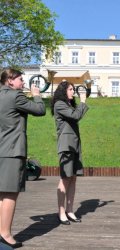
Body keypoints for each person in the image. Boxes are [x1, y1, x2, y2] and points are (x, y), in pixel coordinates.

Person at [0, 68, 46, 248]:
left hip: (1, 149)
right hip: (13, 151)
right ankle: (5, 234)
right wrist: (36, 95)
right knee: (11, 193)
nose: (23, 83)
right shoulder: (15, 96)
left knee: (1, 194)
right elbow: (40, 110)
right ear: (10, 80)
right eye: (20, 79)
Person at [50, 81, 89, 225]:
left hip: (74, 146)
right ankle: (61, 212)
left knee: (73, 178)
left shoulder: (67, 105)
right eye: (71, 89)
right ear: (63, 91)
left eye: (73, 89)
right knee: (65, 178)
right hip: (66, 146)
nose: (73, 91)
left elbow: (75, 113)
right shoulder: (60, 104)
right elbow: (75, 116)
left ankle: (70, 210)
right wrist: (83, 102)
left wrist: (83, 100)